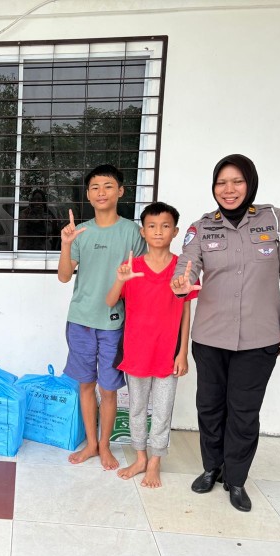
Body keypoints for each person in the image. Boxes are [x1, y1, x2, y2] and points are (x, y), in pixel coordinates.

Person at [171, 154, 280, 512]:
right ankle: (211, 468)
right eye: (221, 183)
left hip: (260, 338)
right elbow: (188, 262)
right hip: (210, 337)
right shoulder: (202, 227)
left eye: (237, 182)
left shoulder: (275, 219)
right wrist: (182, 279)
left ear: (250, 184)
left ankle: (237, 479)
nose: (228, 190)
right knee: (210, 408)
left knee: (244, 411)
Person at [58, 164, 146, 470]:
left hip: (114, 324)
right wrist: (66, 245)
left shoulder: (133, 232)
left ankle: (105, 445)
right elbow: (64, 277)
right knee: (85, 384)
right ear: (88, 194)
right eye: (95, 187)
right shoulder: (80, 231)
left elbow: (143, 276)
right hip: (81, 319)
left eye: (108, 186)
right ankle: (92, 446)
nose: (101, 192)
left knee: (108, 389)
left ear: (120, 191)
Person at [105, 202, 197, 488]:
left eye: (165, 226)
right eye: (152, 226)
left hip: (168, 353)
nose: (159, 232)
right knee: (136, 408)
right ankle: (140, 457)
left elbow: (185, 311)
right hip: (136, 351)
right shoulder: (133, 267)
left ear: (175, 231)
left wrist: (182, 352)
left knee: (162, 409)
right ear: (143, 232)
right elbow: (110, 302)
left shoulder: (182, 268)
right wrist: (120, 280)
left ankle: (156, 461)